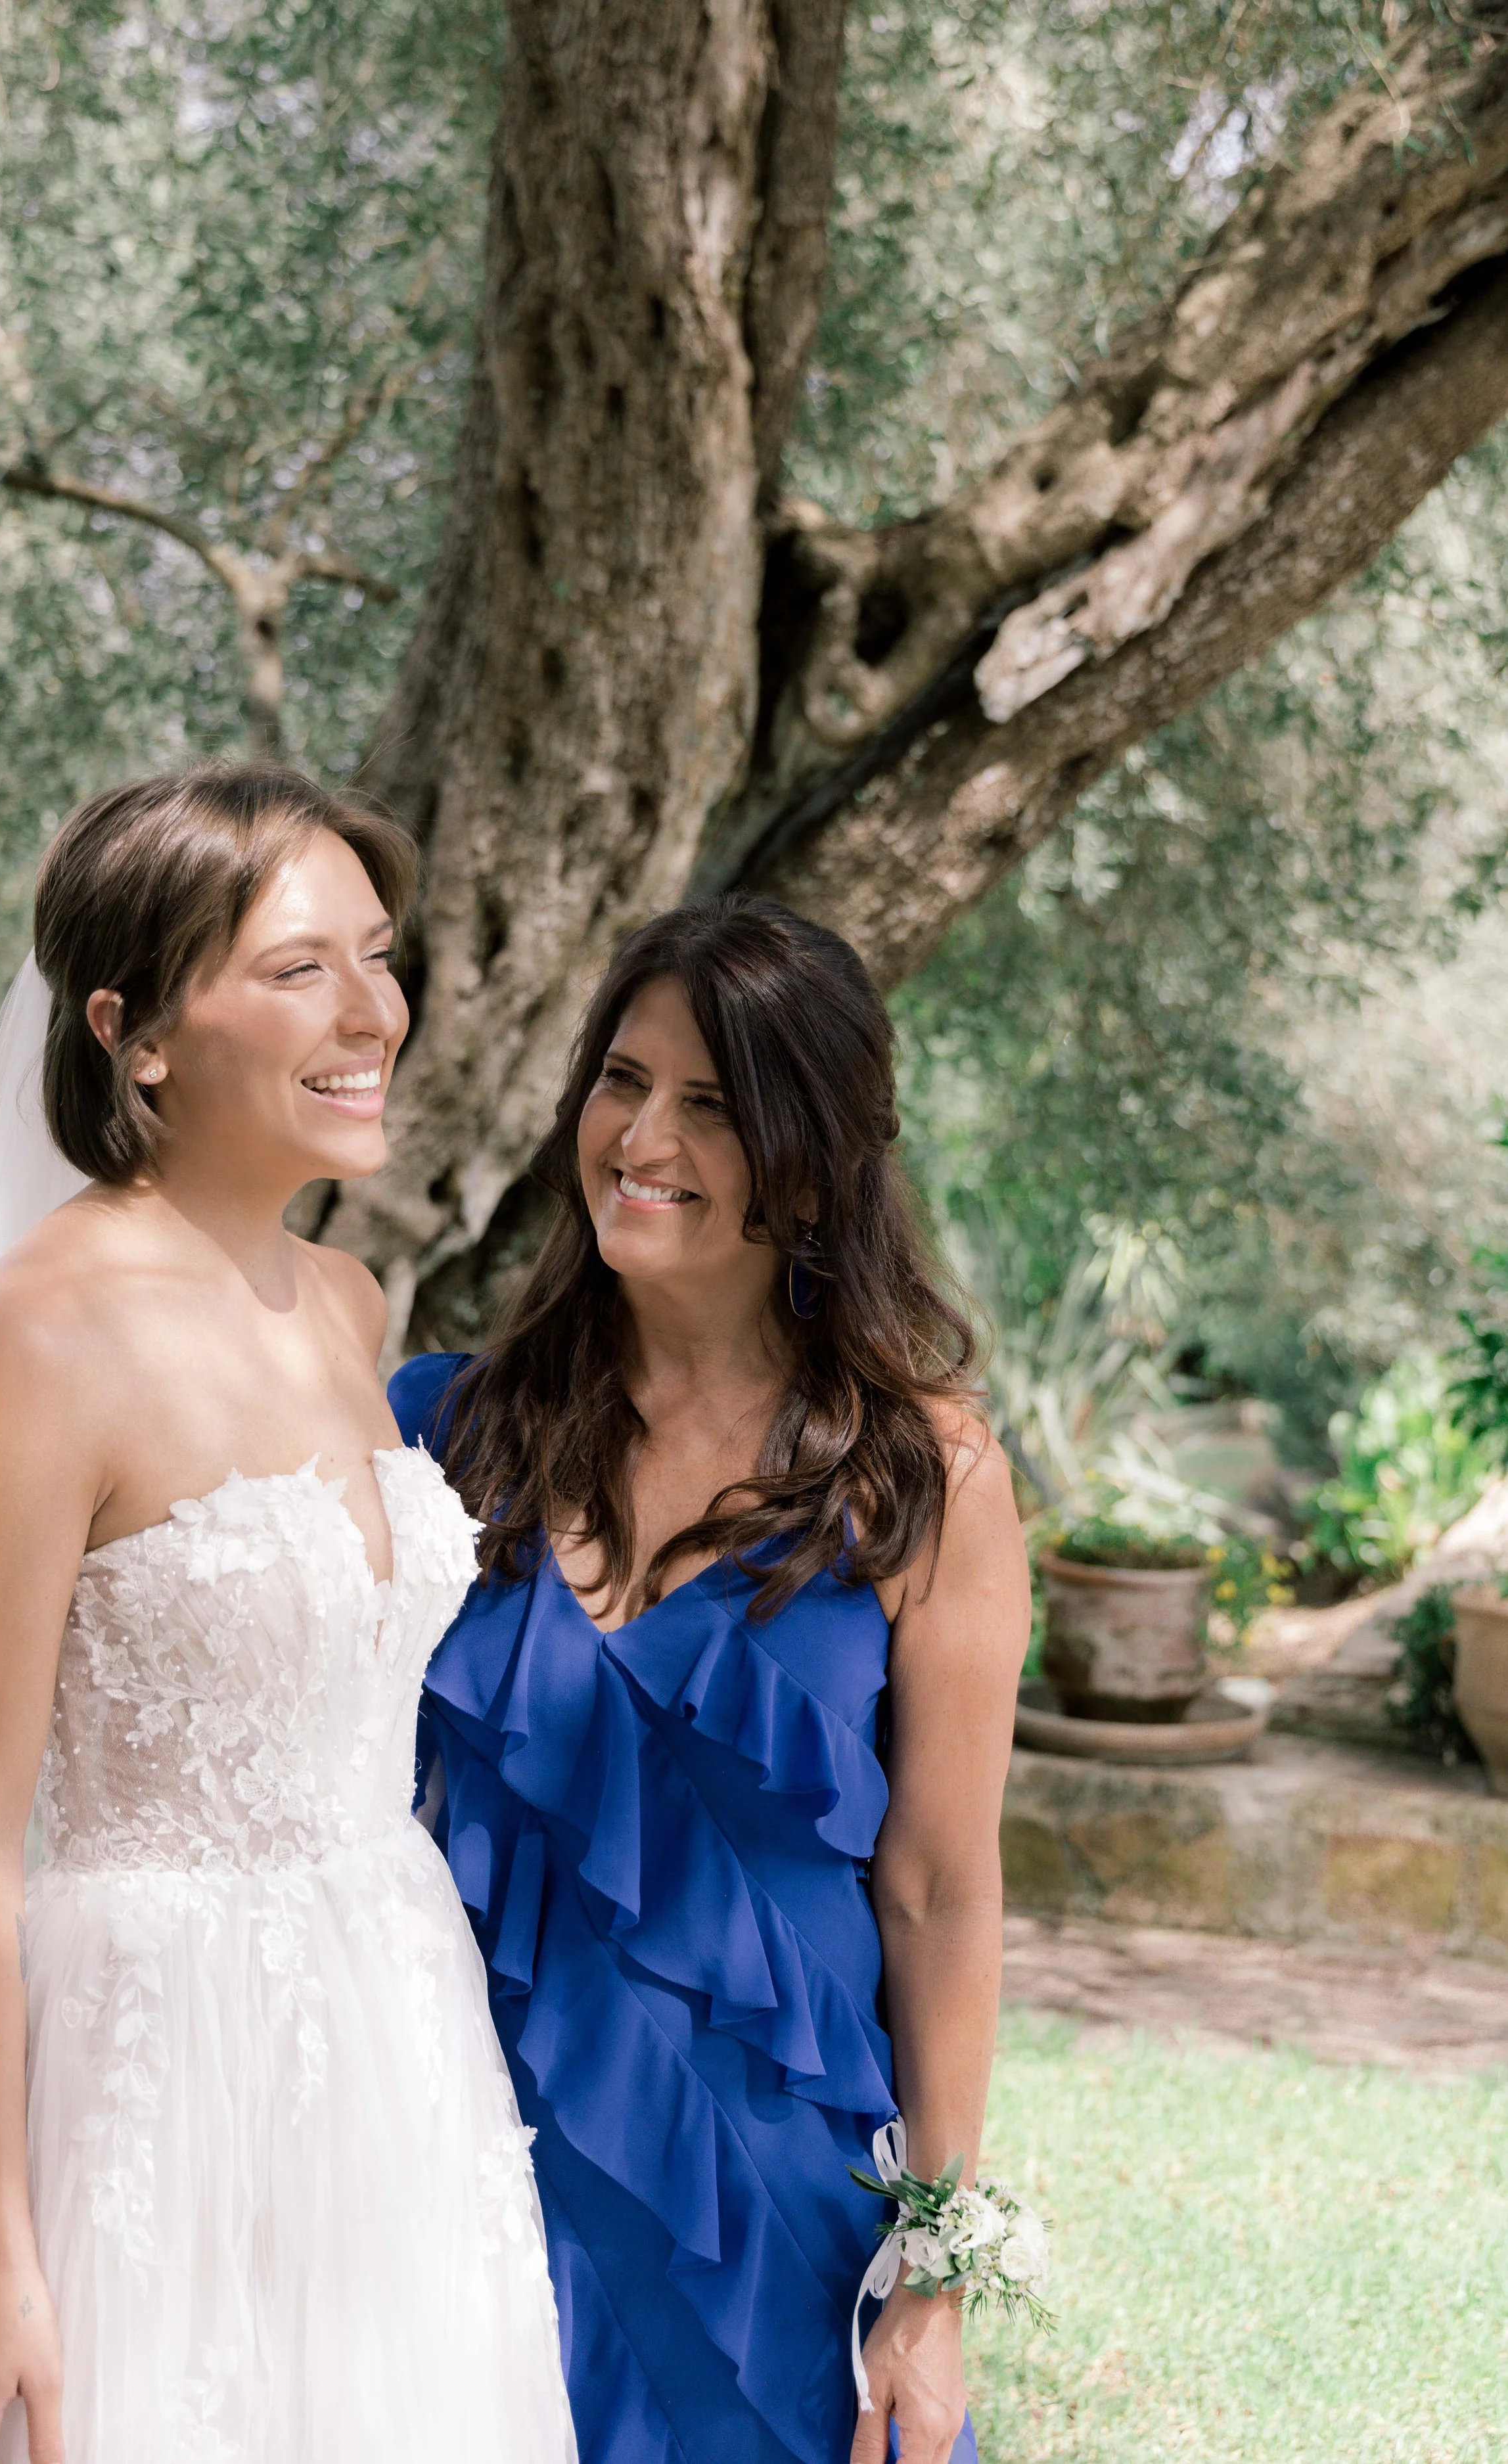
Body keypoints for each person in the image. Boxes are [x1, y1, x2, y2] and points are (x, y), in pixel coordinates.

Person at [0, 767, 575, 2464]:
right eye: (297, 968)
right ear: (139, 1032)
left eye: (379, 958)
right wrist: (1, 2254)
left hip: (394, 2020)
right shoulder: (37, 1343)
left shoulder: (347, 1298)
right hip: (152, 2056)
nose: (371, 1012)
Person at [390, 895, 1030, 2464]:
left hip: (776, 2217)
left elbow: (941, 1892)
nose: (639, 1135)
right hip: (451, 2175)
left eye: (710, 1103)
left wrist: (932, 2280)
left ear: (809, 1158)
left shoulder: (923, 1477)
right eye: (621, 1080)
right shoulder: (432, 1435)